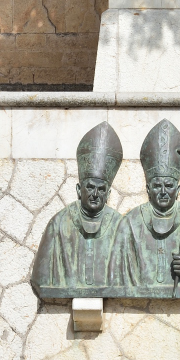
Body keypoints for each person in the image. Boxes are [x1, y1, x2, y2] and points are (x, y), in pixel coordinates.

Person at [109, 119, 180, 293]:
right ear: (148, 189)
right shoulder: (129, 223)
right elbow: (115, 274)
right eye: (157, 185)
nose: (163, 191)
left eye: (168, 185)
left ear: (178, 190)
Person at [30, 122, 124, 295]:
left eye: (101, 189)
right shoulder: (59, 223)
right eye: (90, 187)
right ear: (79, 190)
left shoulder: (121, 225)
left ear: (108, 194)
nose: (95, 194)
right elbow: (40, 279)